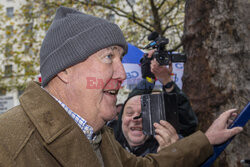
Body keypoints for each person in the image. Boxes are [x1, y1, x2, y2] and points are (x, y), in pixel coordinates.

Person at [0, 6, 243, 167]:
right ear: (65, 70)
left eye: (120, 58)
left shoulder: (99, 135)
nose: (123, 73)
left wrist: (207, 139)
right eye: (109, 57)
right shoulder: (9, 144)